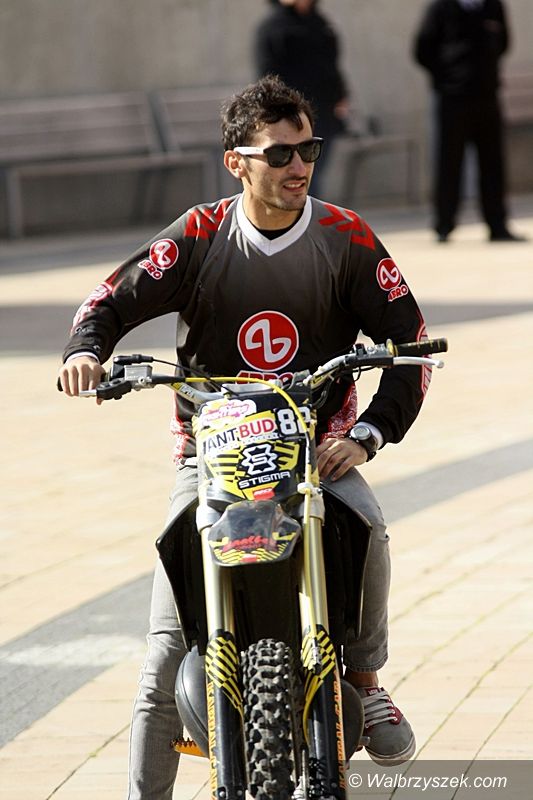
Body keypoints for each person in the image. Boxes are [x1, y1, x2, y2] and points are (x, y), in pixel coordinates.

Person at [59, 75, 431, 798]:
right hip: (209, 459)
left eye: (308, 151)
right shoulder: (199, 235)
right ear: (236, 162)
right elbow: (108, 300)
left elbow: (410, 345)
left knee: (370, 526)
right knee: (164, 656)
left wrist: (365, 436)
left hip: (314, 454)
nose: (299, 167)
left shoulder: (347, 238)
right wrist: (85, 351)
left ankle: (366, 678)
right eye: (279, 153)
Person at [413, 0, 526, 242]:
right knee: (449, 161)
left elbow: (503, 44)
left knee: (492, 162)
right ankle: (444, 225)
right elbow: (422, 50)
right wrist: (447, 77)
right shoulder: (441, 8)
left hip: (487, 94)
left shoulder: (493, 6)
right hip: (452, 98)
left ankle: (497, 225)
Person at [254, 0, 349, 196]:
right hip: (291, 116)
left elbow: (331, 67)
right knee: (298, 171)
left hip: (323, 112)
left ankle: (308, 211)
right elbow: (268, 76)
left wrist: (340, 96)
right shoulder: (274, 28)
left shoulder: (320, 24)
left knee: (314, 170)